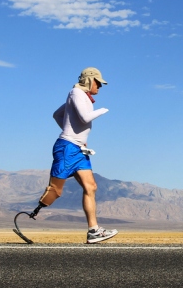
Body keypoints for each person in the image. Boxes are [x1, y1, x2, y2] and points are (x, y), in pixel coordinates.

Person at [31, 67, 118, 244]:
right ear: (90, 80)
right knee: (55, 191)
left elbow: (57, 115)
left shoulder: (81, 97)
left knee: (91, 186)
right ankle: (33, 213)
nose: (99, 87)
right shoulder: (76, 92)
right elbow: (85, 118)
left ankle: (93, 230)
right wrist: (103, 110)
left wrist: (76, 135)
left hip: (78, 149)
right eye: (99, 83)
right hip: (67, 148)